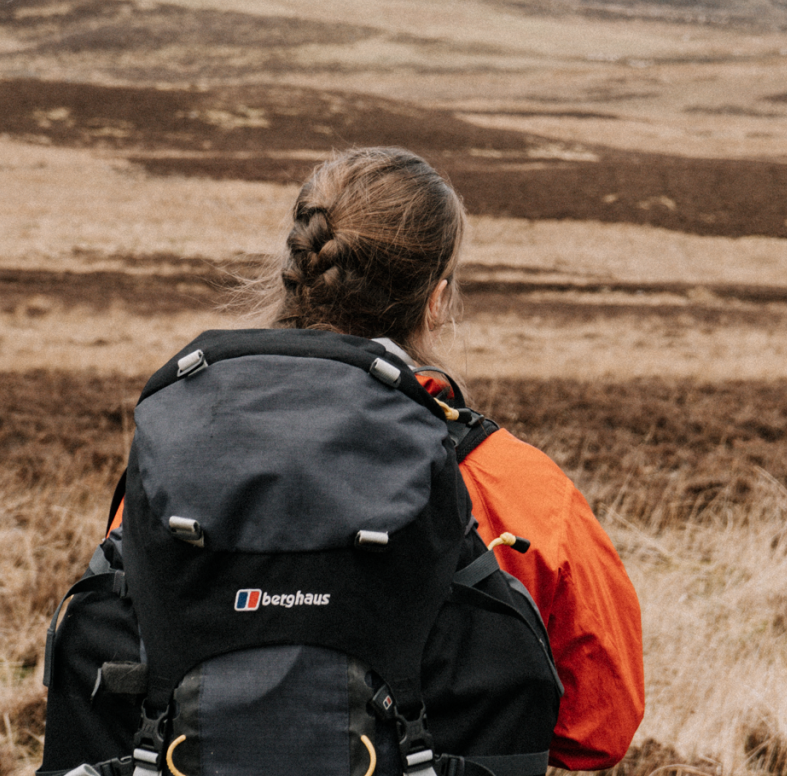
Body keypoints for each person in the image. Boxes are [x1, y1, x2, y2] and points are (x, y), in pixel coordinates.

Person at [106, 146, 644, 771]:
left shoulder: (176, 460)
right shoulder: (519, 487)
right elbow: (599, 726)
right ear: (437, 298)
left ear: (297, 271)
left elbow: (114, 670)